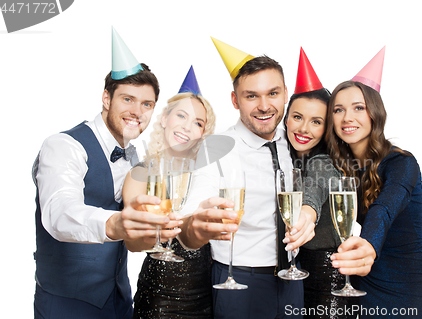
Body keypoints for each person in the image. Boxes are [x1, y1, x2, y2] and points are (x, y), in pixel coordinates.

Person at [33, 28, 180, 319]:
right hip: (66, 303)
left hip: (119, 301)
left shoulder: (135, 156)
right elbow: (59, 213)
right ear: (106, 98)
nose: (137, 111)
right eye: (127, 99)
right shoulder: (64, 145)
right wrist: (115, 224)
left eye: (147, 104)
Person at [178, 39, 314, 319]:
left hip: (293, 279)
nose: (264, 106)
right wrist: (195, 226)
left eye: (273, 93)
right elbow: (190, 218)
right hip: (239, 281)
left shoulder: (295, 140)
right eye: (251, 96)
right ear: (234, 99)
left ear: (286, 93)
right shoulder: (216, 146)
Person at [328, 47, 422, 318]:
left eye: (358, 108)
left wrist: (368, 243)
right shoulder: (339, 167)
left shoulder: (403, 163)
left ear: (374, 113)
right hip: (364, 283)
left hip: (412, 285)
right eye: (338, 110)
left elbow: (384, 209)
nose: (347, 118)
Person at [122, 66, 217, 318]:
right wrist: (151, 232)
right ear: (164, 119)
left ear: (202, 134)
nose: (187, 127)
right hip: (158, 297)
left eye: (198, 122)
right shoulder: (140, 174)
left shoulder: (206, 176)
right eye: (181, 116)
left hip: (204, 295)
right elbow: (131, 243)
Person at [283, 47, 356, 319]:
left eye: (316, 122)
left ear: (327, 129)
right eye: (298, 117)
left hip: (328, 277)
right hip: (295, 276)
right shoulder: (281, 156)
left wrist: (307, 214)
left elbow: (316, 185)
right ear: (286, 117)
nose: (304, 129)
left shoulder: (323, 160)